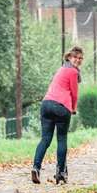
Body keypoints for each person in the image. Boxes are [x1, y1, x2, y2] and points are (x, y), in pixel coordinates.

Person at [32, 46, 84, 184]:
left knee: (45, 139)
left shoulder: (61, 69)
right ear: (69, 57)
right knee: (61, 139)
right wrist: (73, 108)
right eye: (75, 57)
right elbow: (74, 93)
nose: (78, 60)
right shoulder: (73, 72)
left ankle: (36, 167)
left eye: (80, 58)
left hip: (46, 104)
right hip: (61, 107)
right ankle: (61, 173)